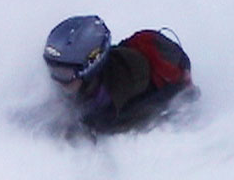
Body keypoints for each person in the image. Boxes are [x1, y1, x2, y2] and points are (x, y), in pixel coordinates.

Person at [43, 15, 198, 135]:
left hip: (148, 85)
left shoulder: (108, 100)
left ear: (90, 67)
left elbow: (97, 125)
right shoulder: (80, 82)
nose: (56, 79)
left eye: (64, 73)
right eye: (52, 69)